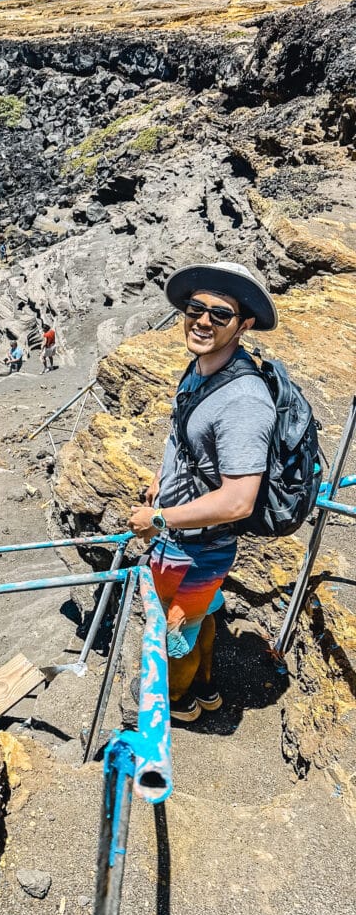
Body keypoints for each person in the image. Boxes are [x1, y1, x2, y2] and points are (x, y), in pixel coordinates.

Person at [127, 262, 278, 723]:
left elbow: (238, 501)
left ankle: (178, 704)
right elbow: (182, 439)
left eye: (221, 313)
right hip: (189, 542)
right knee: (199, 617)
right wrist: (161, 478)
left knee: (175, 635)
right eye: (196, 308)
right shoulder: (202, 370)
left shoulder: (243, 400)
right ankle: (206, 691)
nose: (203, 320)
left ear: (244, 325)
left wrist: (158, 520)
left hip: (195, 548)